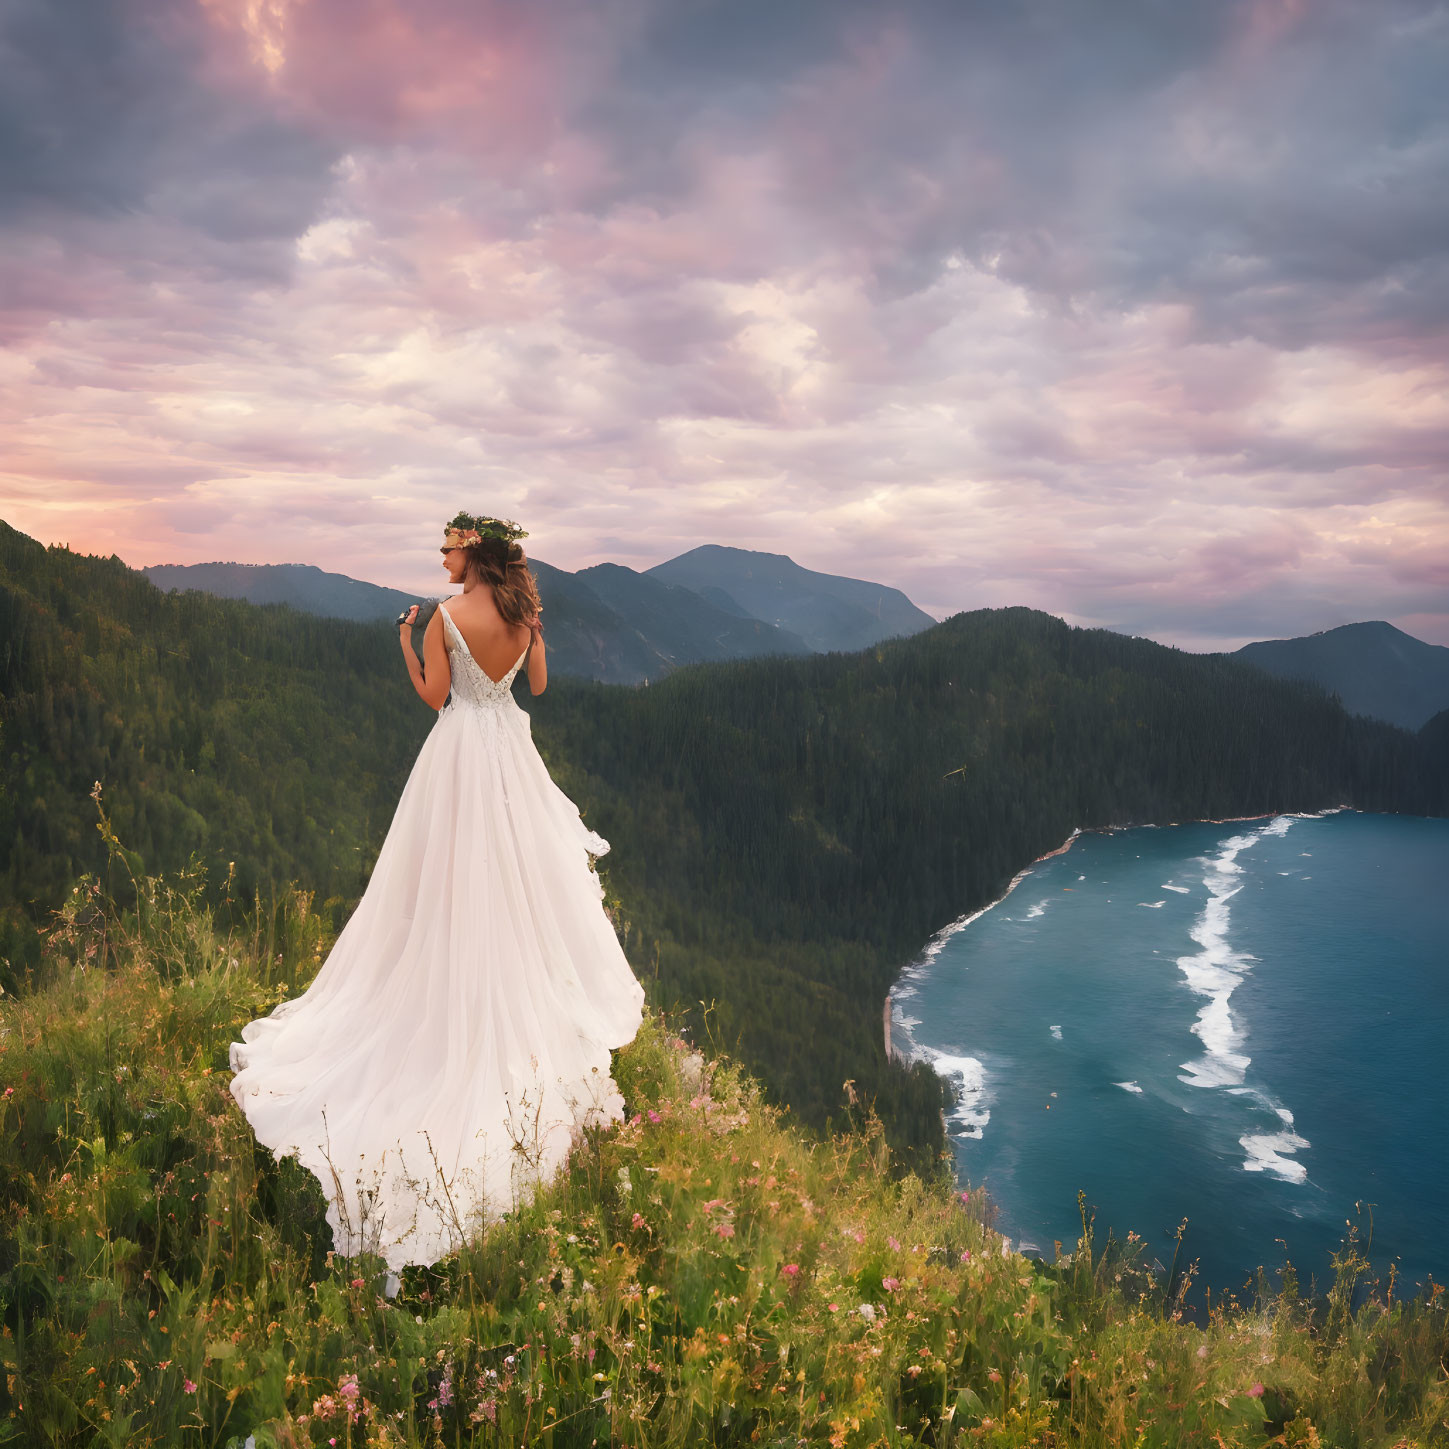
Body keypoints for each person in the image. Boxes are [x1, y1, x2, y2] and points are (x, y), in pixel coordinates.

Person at [228, 513, 645, 1273]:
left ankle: (439, 988)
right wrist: (533, 635)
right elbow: (539, 687)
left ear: (472, 552)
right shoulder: (524, 617)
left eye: (448, 547)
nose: (442, 557)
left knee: (443, 878)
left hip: (457, 756)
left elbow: (434, 697)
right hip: (509, 753)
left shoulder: (442, 616)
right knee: (517, 884)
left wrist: (404, 644)